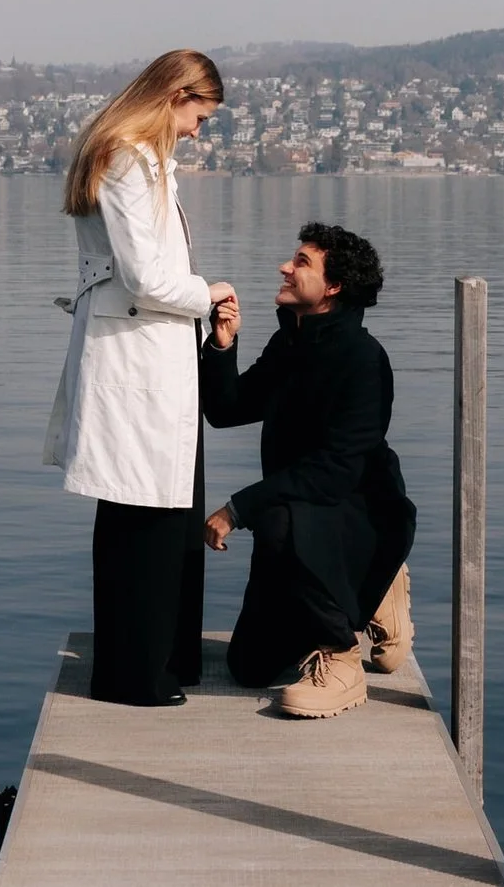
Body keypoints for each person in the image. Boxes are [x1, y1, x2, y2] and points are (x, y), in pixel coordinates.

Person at [45, 50, 238, 707]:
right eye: (199, 114)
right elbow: (145, 276)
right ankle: (135, 673)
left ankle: (165, 660)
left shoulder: (145, 161)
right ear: (174, 94)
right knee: (140, 514)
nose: (199, 130)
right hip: (135, 356)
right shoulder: (128, 159)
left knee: (162, 512)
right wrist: (205, 292)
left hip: (153, 354)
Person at [200, 222, 416, 719]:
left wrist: (238, 508)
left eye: (301, 262)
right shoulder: (291, 346)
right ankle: (370, 589)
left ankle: (342, 656)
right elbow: (227, 409)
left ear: (333, 286)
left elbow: (335, 472)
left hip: (358, 514)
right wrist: (223, 345)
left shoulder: (363, 358)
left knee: (279, 517)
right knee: (249, 667)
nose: (285, 266)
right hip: (298, 520)